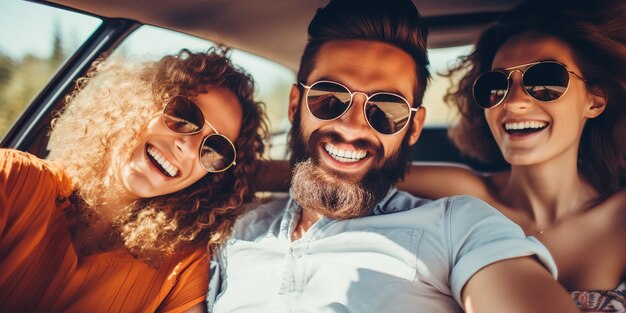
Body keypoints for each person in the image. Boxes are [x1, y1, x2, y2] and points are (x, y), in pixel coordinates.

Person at [209, 0, 580, 312]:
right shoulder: (231, 229)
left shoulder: (459, 227)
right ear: (295, 105)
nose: (353, 126)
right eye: (329, 99)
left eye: (386, 109)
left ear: (414, 128)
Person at [396, 0, 626, 310]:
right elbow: (349, 178)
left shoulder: (620, 218)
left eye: (545, 81)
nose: (513, 101)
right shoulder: (459, 193)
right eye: (495, 86)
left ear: (595, 102)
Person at [0, 48, 267, 312]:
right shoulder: (11, 177)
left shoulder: (181, 264)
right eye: (184, 115)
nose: (187, 147)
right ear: (142, 103)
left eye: (216, 148)